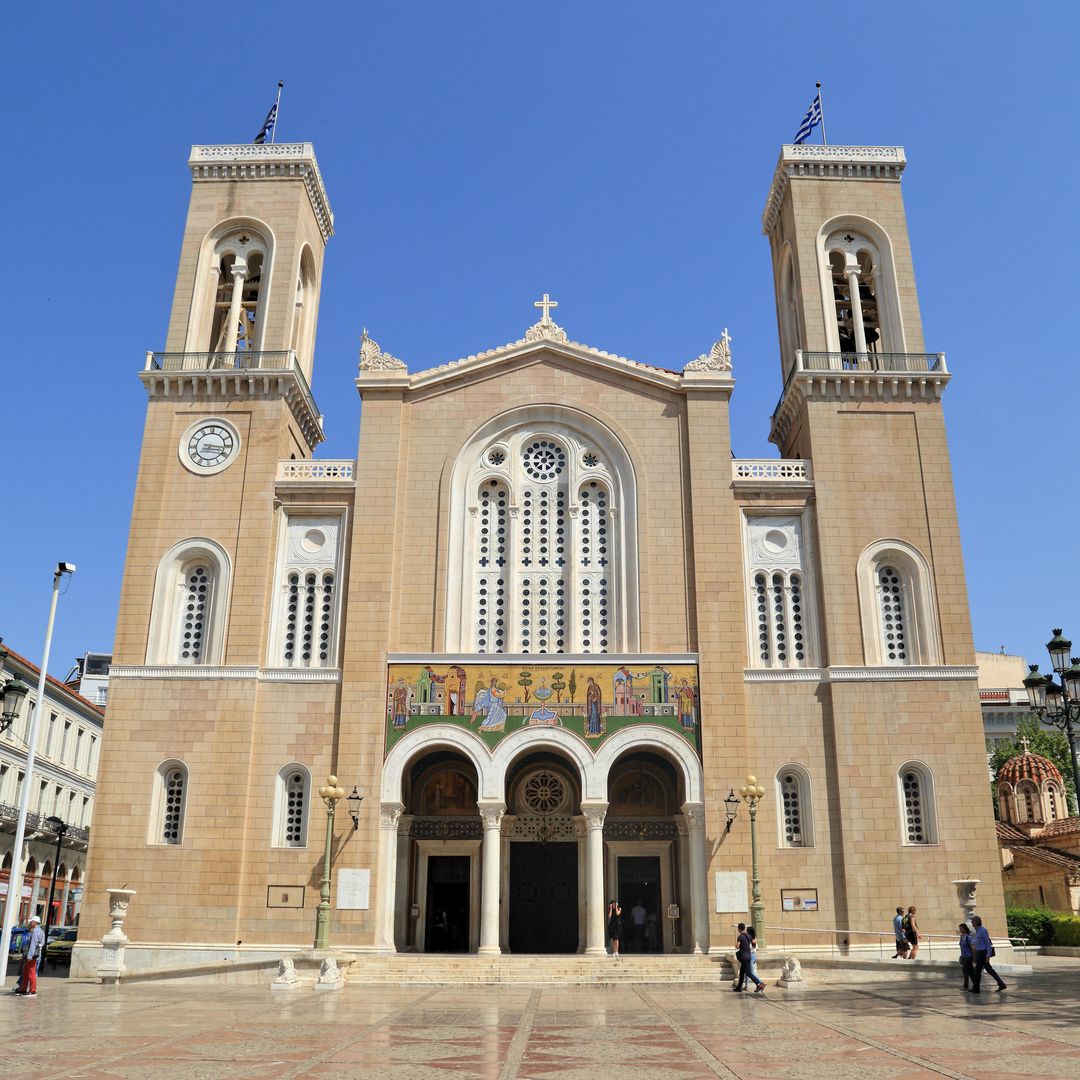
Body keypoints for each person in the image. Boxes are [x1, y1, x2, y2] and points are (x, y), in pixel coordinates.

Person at [970, 915, 1007, 993]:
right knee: (989, 970)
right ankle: (1001, 984)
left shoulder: (983, 931)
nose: (971, 923)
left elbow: (988, 944)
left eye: (972, 921)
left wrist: (988, 956)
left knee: (977, 971)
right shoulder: (977, 931)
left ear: (976, 922)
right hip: (979, 953)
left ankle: (976, 989)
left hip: (983, 953)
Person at [10, 915, 45, 997]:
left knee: (31, 973)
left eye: (31, 921)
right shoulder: (40, 930)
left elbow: (33, 944)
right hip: (35, 955)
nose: (30, 923)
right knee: (26, 972)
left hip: (32, 956)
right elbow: (42, 943)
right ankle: (23, 989)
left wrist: (30, 956)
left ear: (35, 922)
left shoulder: (36, 931)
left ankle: (33, 990)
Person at [733, 922, 764, 993]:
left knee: (749, 973)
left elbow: (737, 946)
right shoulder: (748, 936)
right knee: (741, 973)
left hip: (743, 957)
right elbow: (754, 942)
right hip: (748, 956)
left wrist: (737, 943)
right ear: (744, 928)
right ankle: (739, 987)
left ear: (739, 929)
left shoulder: (740, 937)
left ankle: (759, 984)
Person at [958, 923, 975, 991]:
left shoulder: (968, 937)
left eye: (961, 928)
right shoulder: (961, 937)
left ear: (965, 929)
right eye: (959, 928)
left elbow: (972, 947)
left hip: (969, 956)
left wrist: (974, 957)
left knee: (965, 970)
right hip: (964, 956)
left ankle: (966, 985)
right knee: (970, 971)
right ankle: (975, 984)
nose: (960, 930)